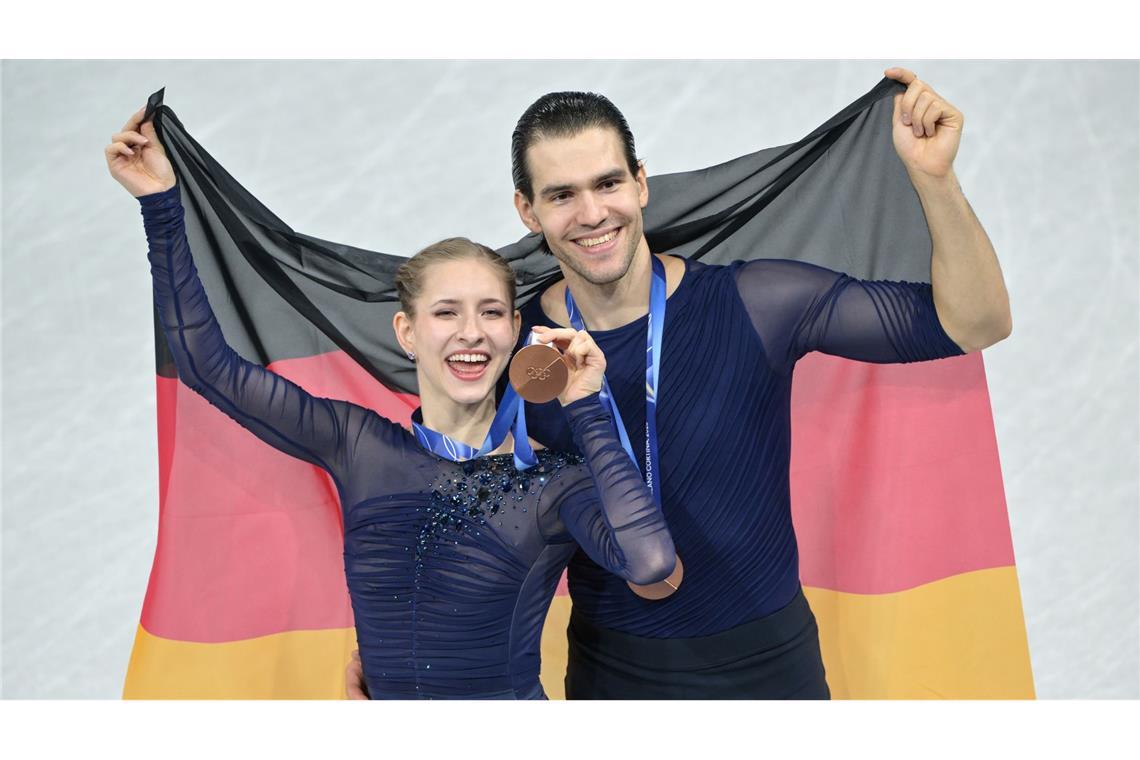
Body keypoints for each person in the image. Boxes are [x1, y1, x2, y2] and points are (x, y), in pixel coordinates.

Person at [339, 67, 1014, 699]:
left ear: (641, 183)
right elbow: (440, 494)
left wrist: (934, 180)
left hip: (772, 670)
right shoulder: (510, 352)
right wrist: (399, 648)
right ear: (528, 210)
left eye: (608, 183)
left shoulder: (757, 303)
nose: (592, 213)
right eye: (562, 195)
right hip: (612, 679)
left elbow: (975, 322)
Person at [106, 107, 678, 700]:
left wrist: (585, 406)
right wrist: (160, 206)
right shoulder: (359, 445)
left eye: (489, 312)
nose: (471, 332)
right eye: (446, 313)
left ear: (513, 330)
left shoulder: (553, 483)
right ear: (407, 332)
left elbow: (651, 563)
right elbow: (208, 367)